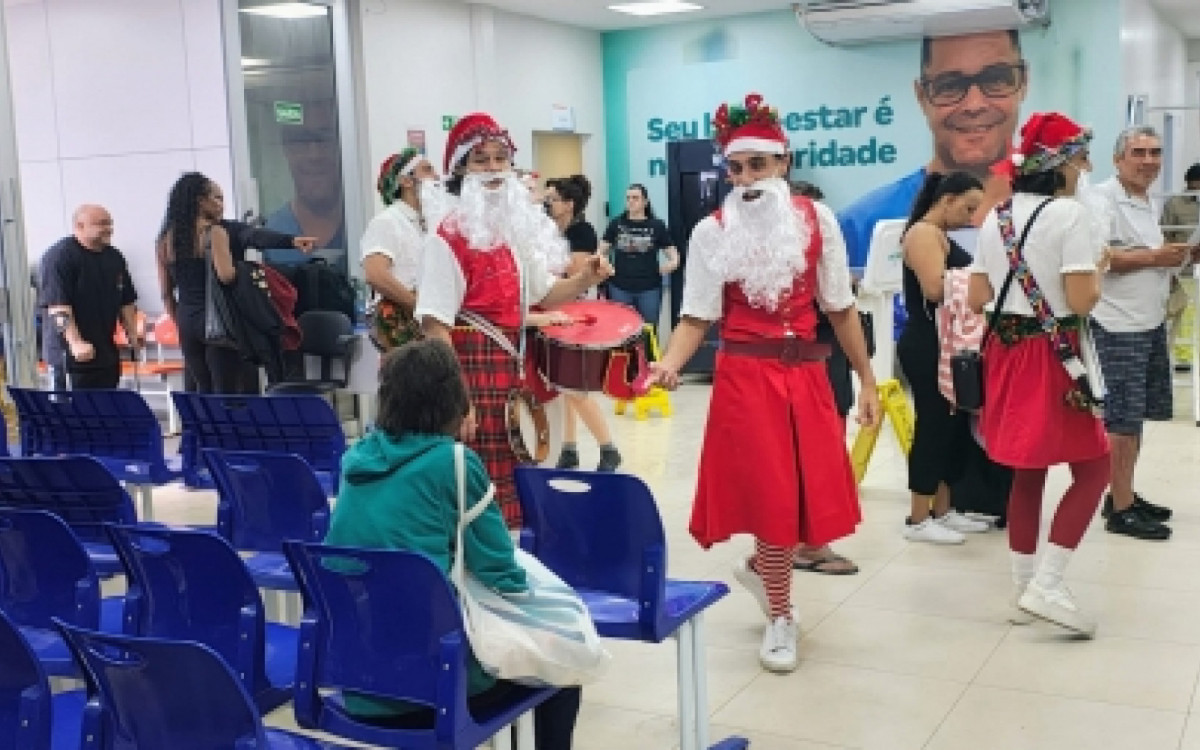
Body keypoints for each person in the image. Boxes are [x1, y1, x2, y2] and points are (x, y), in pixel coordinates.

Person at [646, 93, 880, 673]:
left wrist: (869, 381)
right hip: (746, 379)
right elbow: (696, 315)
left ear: (782, 164)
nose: (747, 178)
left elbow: (842, 308)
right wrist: (671, 363)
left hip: (807, 375)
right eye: (736, 167)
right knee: (771, 496)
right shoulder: (710, 232)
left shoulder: (816, 221)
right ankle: (781, 614)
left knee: (800, 497)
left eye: (759, 164)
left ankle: (764, 570)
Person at [323, 339, 581, 747]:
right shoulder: (454, 462)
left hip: (360, 683)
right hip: (435, 688)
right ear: (452, 399)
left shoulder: (354, 460)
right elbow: (502, 573)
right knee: (562, 668)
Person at [416, 113, 613, 528]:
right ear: (460, 172)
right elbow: (435, 326)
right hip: (468, 369)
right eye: (480, 160)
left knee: (513, 486)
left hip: (511, 368)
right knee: (475, 494)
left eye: (500, 159)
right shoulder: (446, 238)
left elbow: (544, 293)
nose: (492, 169)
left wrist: (584, 279)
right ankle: (472, 583)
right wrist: (456, 397)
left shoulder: (514, 233)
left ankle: (505, 577)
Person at [968, 112, 1111, 636]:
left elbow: (979, 296)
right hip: (1054, 356)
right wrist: (1099, 270)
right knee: (1095, 469)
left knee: (1027, 473)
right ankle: (1047, 584)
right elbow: (1080, 299)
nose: (1086, 167)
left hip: (1005, 356)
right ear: (1060, 165)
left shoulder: (996, 216)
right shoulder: (1069, 217)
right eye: (1080, 157)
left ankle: (1022, 587)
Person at [839, 30, 1028, 267]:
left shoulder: (1070, 214)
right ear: (921, 97)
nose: (974, 105)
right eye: (949, 86)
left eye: (996, 79)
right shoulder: (858, 229)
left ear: (1024, 83)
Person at [1084, 127, 1191, 541]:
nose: (1148, 161)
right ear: (1118, 159)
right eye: (1139, 153)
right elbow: (1098, 258)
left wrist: (1179, 255)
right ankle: (1120, 510)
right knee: (1122, 420)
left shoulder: (1146, 202)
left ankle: (1122, 494)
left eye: (1155, 153)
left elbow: (1145, 256)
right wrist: (1154, 256)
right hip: (1117, 324)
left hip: (1147, 320)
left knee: (1136, 418)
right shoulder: (1100, 199)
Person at [897, 172, 991, 544]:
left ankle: (944, 510)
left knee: (953, 427)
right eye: (967, 208)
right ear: (947, 198)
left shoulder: (941, 236)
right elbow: (936, 288)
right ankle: (918, 517)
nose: (969, 218)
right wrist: (979, 278)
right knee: (934, 426)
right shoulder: (923, 234)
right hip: (927, 342)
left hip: (947, 341)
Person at [544, 175, 622, 473]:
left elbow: (576, 274)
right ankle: (569, 447)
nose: (547, 204)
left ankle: (608, 447)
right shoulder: (553, 231)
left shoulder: (582, 232)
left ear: (568, 204)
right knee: (562, 384)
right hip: (556, 310)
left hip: (577, 312)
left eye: (552, 199)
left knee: (572, 384)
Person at [156, 172, 244, 394]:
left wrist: (181, 320)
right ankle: (227, 429)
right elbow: (226, 276)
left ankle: (204, 429)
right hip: (217, 319)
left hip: (187, 320)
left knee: (202, 388)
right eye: (216, 198)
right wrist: (242, 270)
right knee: (225, 390)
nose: (221, 204)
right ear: (200, 200)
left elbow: (166, 293)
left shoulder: (165, 240)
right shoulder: (214, 232)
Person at [39, 204, 140, 390]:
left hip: (105, 354)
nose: (108, 228)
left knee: (105, 412)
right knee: (72, 415)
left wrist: (132, 333)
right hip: (70, 358)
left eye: (110, 223)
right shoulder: (59, 257)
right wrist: (75, 342)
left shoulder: (115, 257)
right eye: (101, 224)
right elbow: (58, 307)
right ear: (79, 226)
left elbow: (126, 300)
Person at [361, 149, 440, 331]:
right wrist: (417, 307)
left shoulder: (428, 223)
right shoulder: (387, 221)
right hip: (401, 322)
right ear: (406, 181)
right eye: (427, 170)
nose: (436, 177)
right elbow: (375, 274)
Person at [265, 99, 346, 260]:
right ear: (286, 150)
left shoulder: (365, 225)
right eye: (301, 141)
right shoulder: (271, 235)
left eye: (324, 139)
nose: (314, 155)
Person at [599, 184, 679, 333]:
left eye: (635, 198)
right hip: (620, 287)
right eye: (628, 198)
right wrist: (605, 266)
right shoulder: (616, 224)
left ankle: (648, 357)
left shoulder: (657, 225)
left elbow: (673, 255)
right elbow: (600, 252)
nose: (631, 201)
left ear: (645, 202)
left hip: (649, 288)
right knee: (621, 330)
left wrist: (670, 265)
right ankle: (626, 357)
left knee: (648, 330)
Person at [1161, 162, 1200, 244]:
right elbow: (1164, 234)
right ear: (1188, 183)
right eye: (1194, 188)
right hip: (1183, 252)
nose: (1197, 191)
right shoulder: (1174, 204)